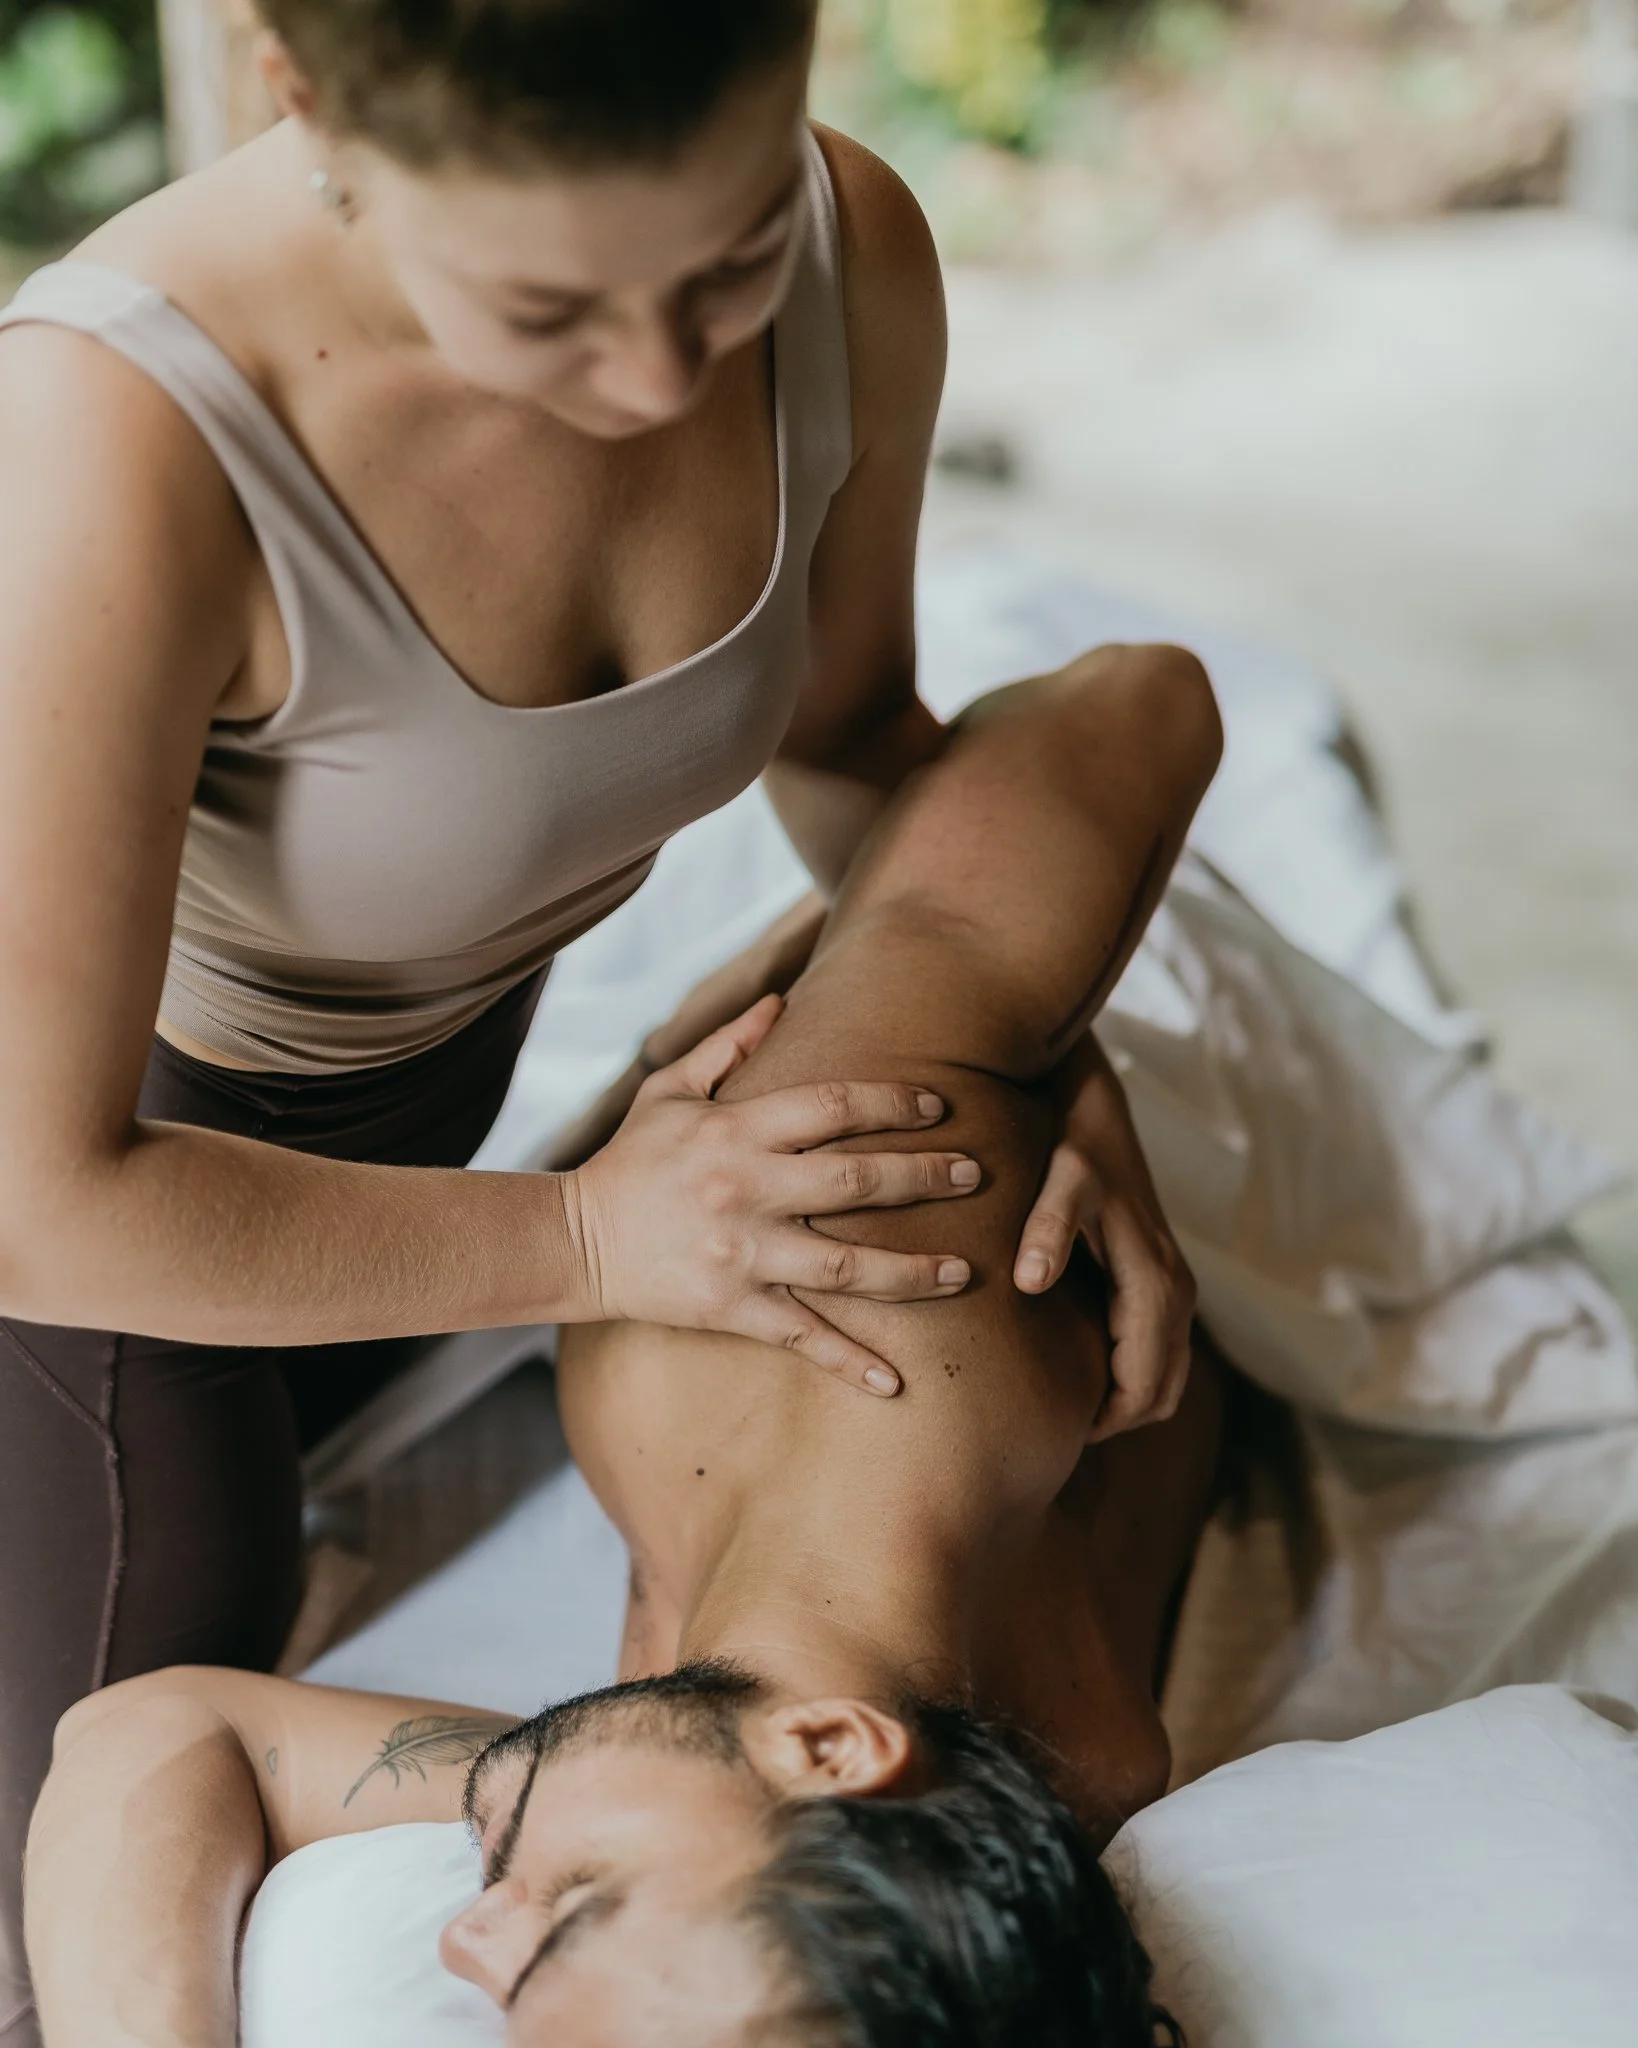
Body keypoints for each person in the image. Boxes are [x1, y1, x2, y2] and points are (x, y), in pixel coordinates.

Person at [0, 5, 1210, 2037]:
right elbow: (33, 1200)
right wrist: (584, 1241)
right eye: (546, 304)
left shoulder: (852, 250)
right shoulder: (109, 440)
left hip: (436, 1148)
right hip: (116, 1218)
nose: (659, 379)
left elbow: (858, 752)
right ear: (297, 85)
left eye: (726, 257)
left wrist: (1028, 1049)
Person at [25, 652, 1224, 2045]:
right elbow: (1142, 700)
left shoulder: (771, 1776)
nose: (470, 1932)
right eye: (573, 1907)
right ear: (829, 1751)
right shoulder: (886, 1238)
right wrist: (1042, 1040)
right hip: (1028, 1088)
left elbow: (154, 1733)